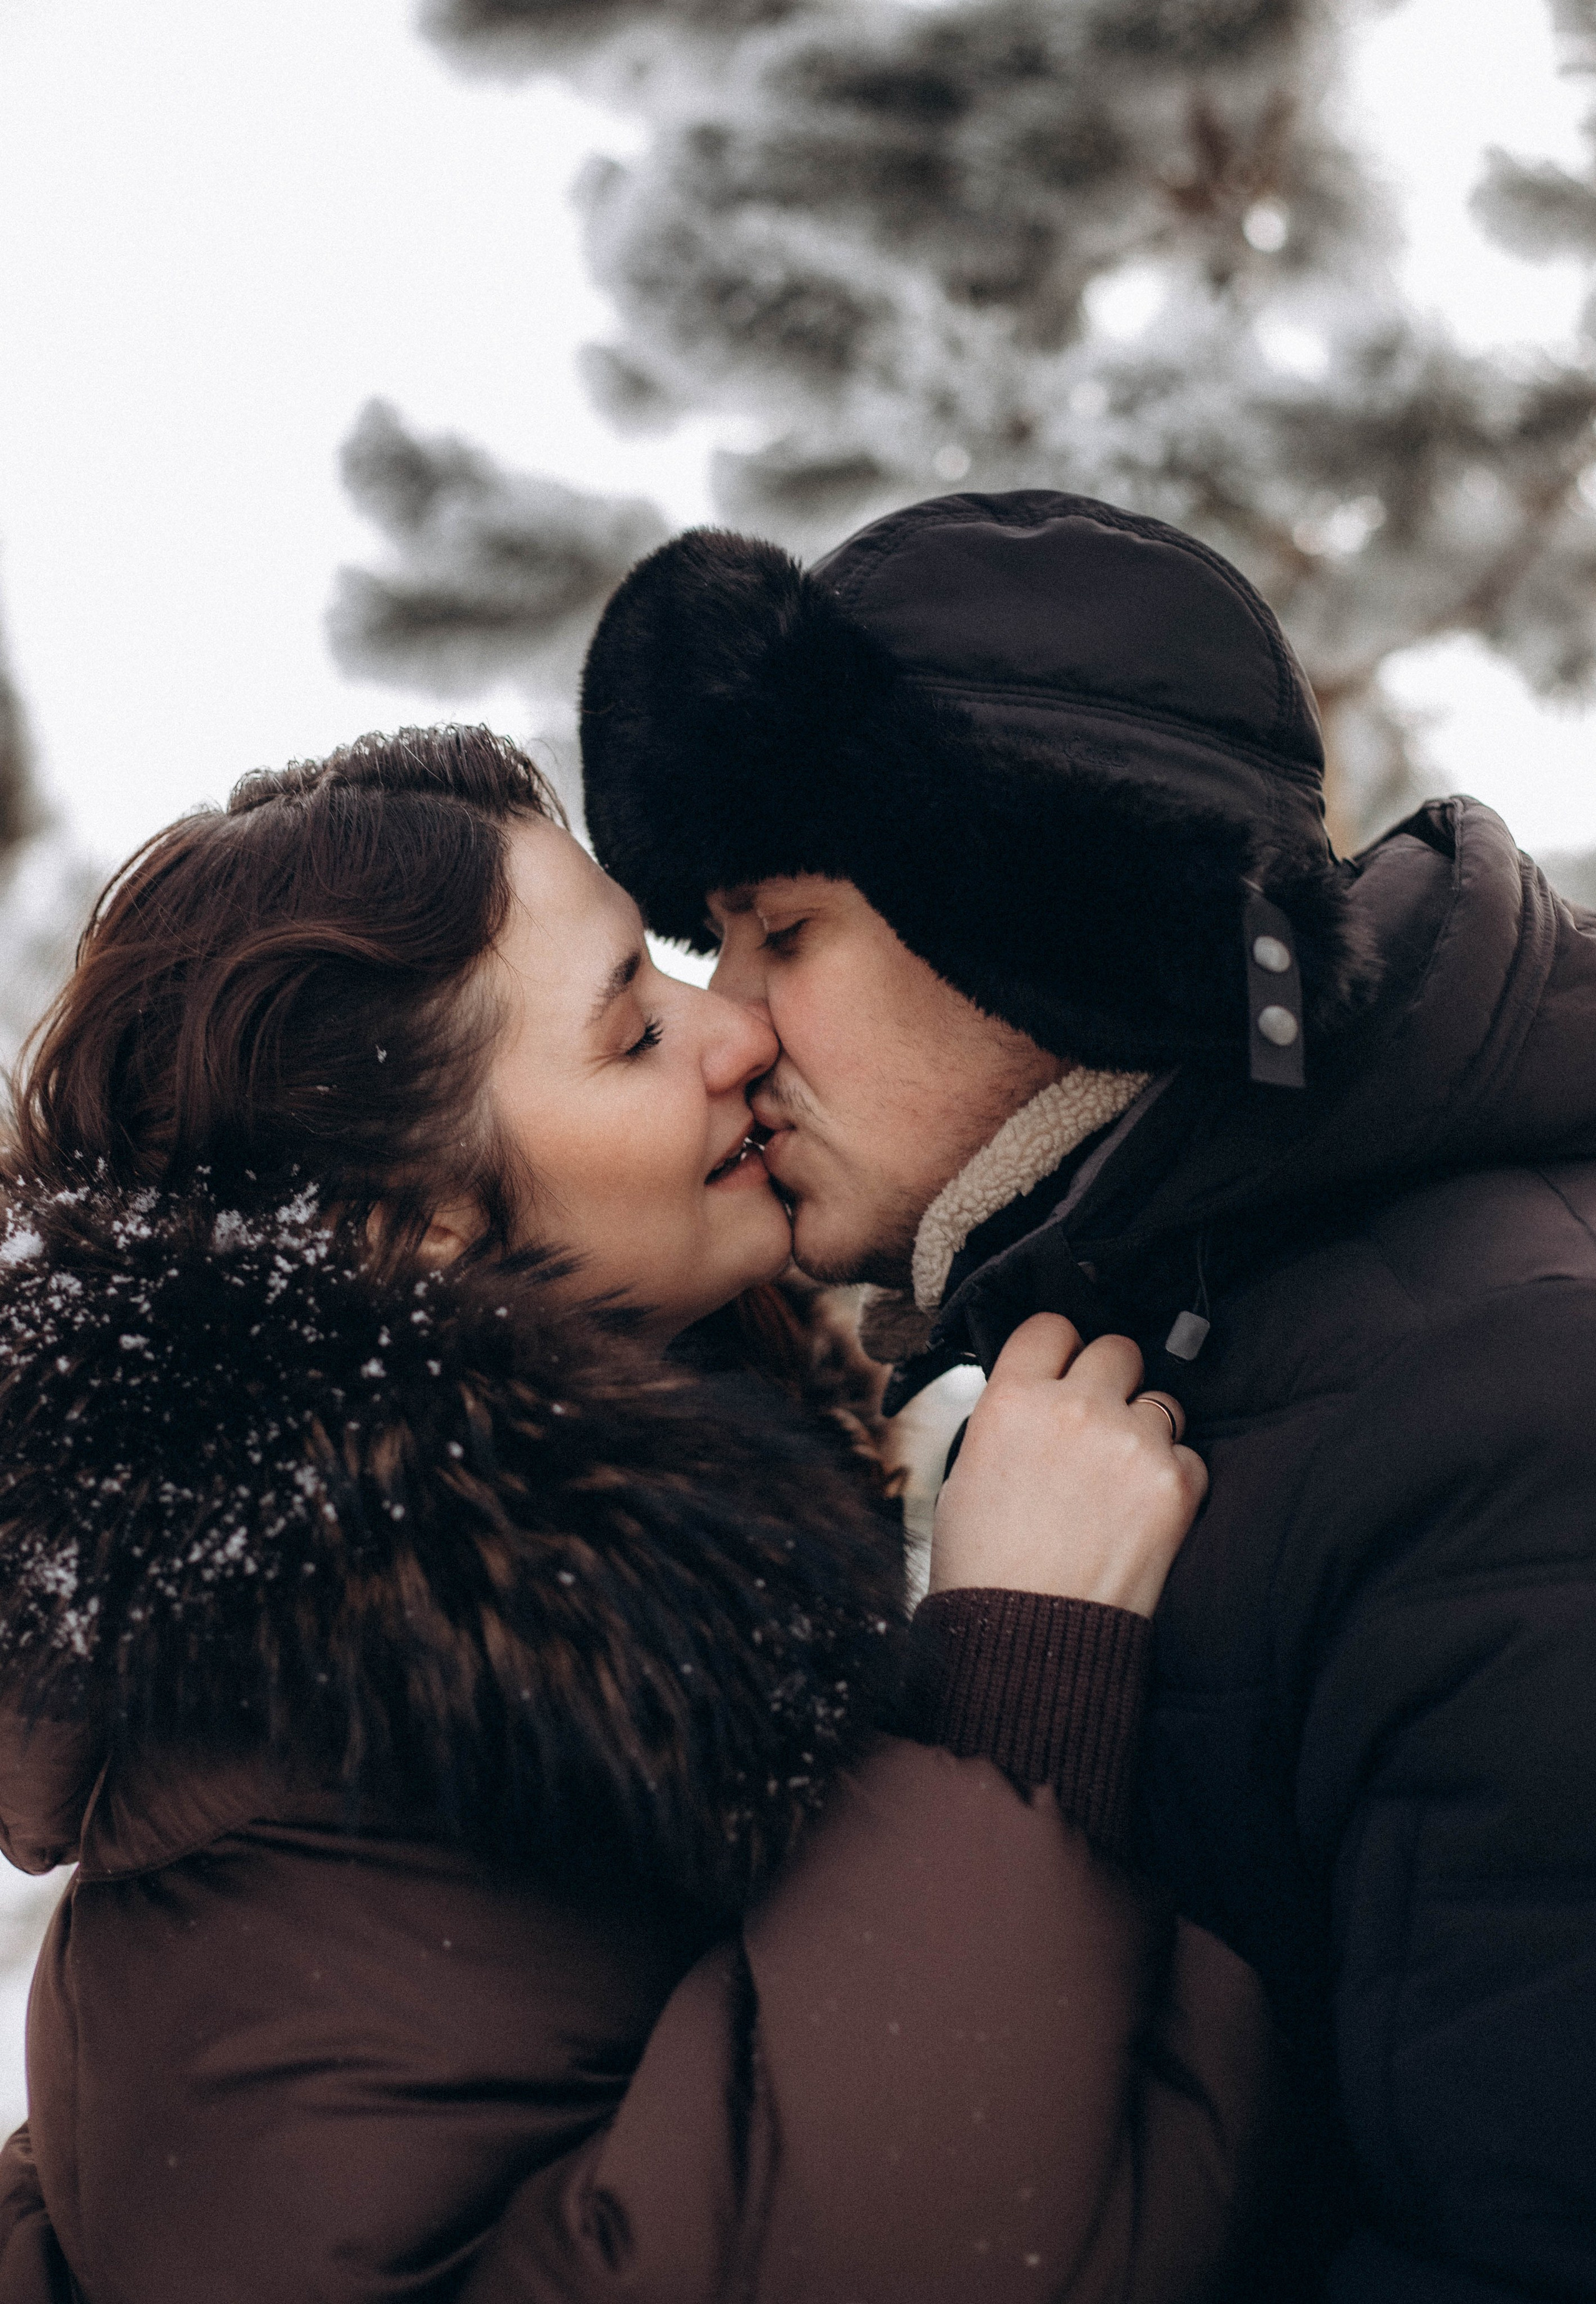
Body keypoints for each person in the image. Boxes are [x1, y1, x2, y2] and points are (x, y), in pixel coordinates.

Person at [0, 727, 1271, 2304]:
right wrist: (1013, 1707)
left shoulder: (512, 1634)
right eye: (628, 1035)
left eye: (673, 969)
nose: (733, 1027)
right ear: (415, 1233)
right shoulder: (328, 1786)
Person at [577, 490, 1596, 2304]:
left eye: (781, 931)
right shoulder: (1167, 1342)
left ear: (1049, 919)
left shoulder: (1508, 1405)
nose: (724, 1026)